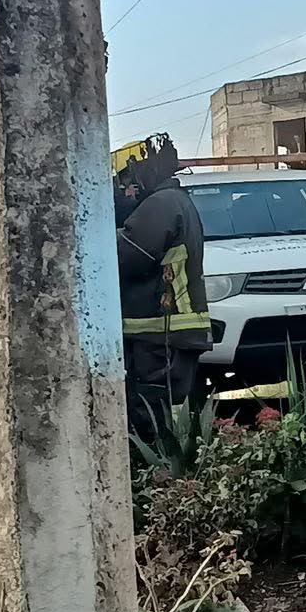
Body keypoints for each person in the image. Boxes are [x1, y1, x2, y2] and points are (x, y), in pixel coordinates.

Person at [117, 134, 210, 440]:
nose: (128, 185)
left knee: (151, 416)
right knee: (165, 410)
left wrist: (106, 222)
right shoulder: (174, 200)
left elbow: (126, 256)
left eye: (130, 176)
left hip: (161, 331)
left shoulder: (161, 205)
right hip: (173, 331)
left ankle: (159, 465)